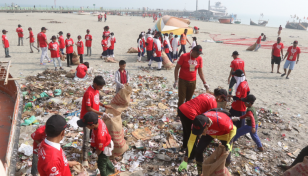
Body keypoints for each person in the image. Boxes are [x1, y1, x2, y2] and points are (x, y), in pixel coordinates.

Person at [178, 109, 236, 175]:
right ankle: (200, 173)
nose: (200, 134)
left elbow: (234, 130)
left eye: (201, 132)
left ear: (207, 126)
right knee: (198, 151)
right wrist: (185, 160)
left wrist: (229, 143)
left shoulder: (223, 123)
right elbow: (191, 141)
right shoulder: (196, 125)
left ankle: (221, 172)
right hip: (209, 133)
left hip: (223, 135)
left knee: (227, 159)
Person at [178, 88, 227, 160]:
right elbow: (209, 118)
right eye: (222, 100)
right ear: (219, 97)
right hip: (190, 114)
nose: (222, 101)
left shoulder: (206, 94)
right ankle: (190, 157)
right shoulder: (213, 102)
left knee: (186, 131)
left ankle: (184, 146)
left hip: (182, 109)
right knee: (194, 136)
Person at [80, 76, 113, 167]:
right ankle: (85, 159)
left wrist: (104, 105)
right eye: (100, 87)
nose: (101, 88)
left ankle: (94, 151)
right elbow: (88, 108)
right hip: (87, 118)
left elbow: (96, 101)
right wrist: (101, 113)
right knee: (86, 138)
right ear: (95, 84)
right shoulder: (88, 92)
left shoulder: (96, 90)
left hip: (94, 117)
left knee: (93, 135)